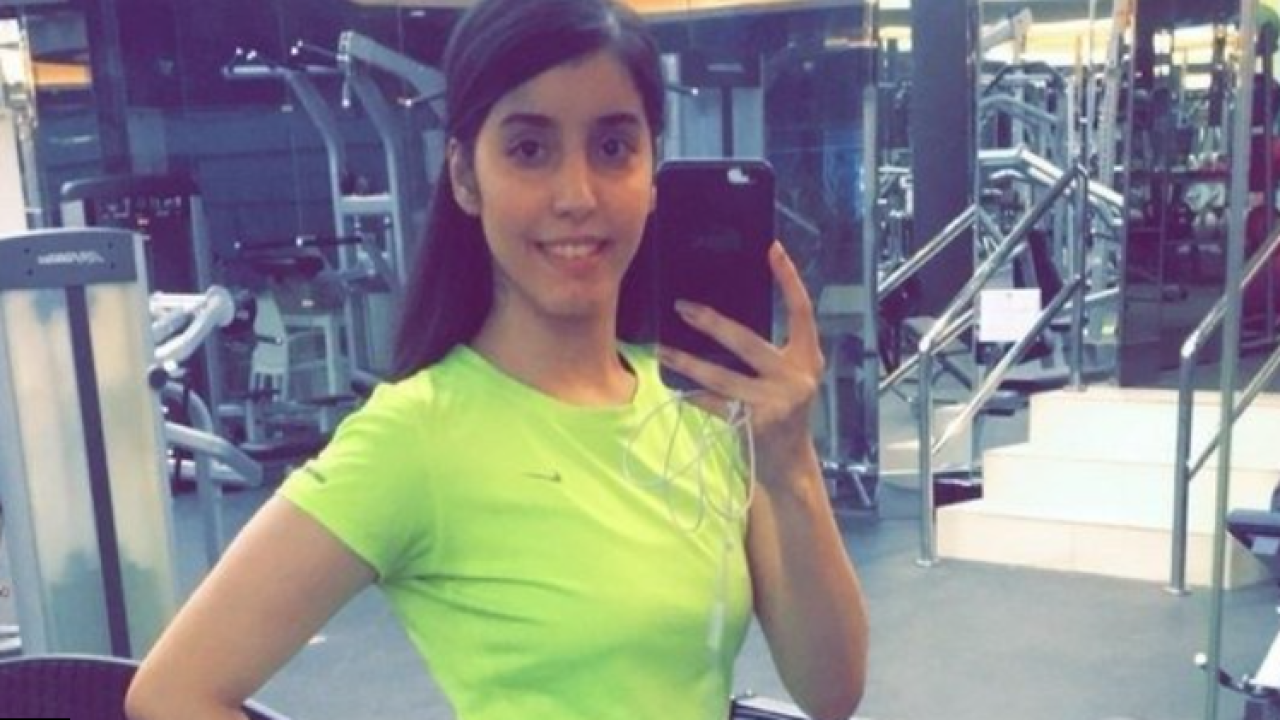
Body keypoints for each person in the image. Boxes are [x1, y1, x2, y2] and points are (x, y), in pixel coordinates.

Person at [125, 0, 867, 718]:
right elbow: (173, 693)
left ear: (651, 174)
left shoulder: (701, 403)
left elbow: (831, 694)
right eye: (528, 150)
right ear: (465, 176)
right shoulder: (417, 437)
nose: (577, 195)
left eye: (613, 147)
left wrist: (790, 463)